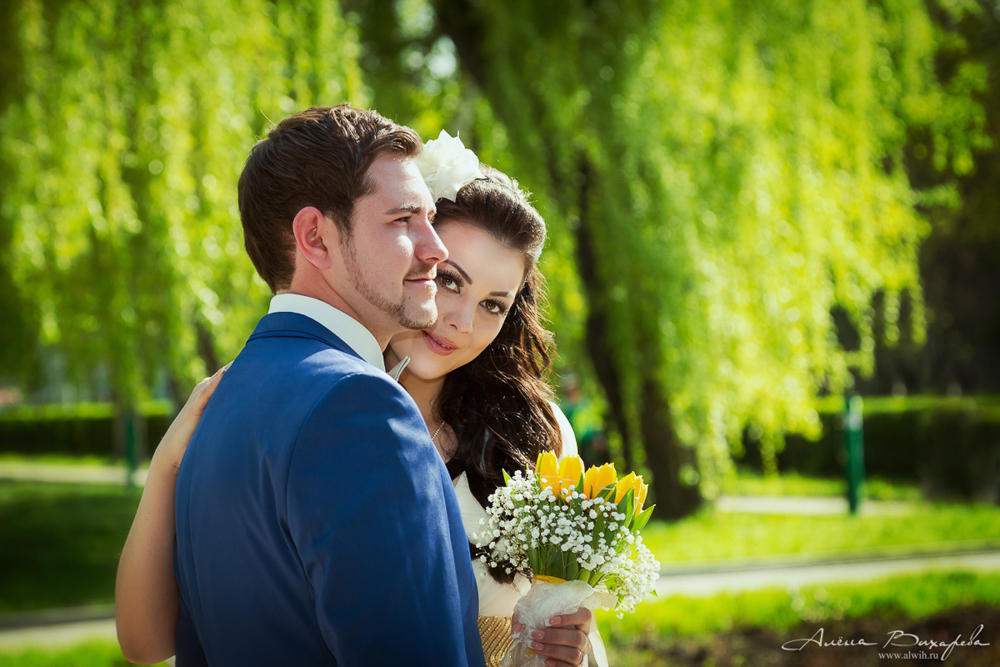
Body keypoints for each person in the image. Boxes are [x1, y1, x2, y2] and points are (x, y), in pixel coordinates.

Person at [116, 115, 600, 666]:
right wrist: (165, 466)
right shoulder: (356, 409)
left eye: (494, 304)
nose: (461, 321)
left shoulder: (531, 433)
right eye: (449, 279)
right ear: (316, 238)